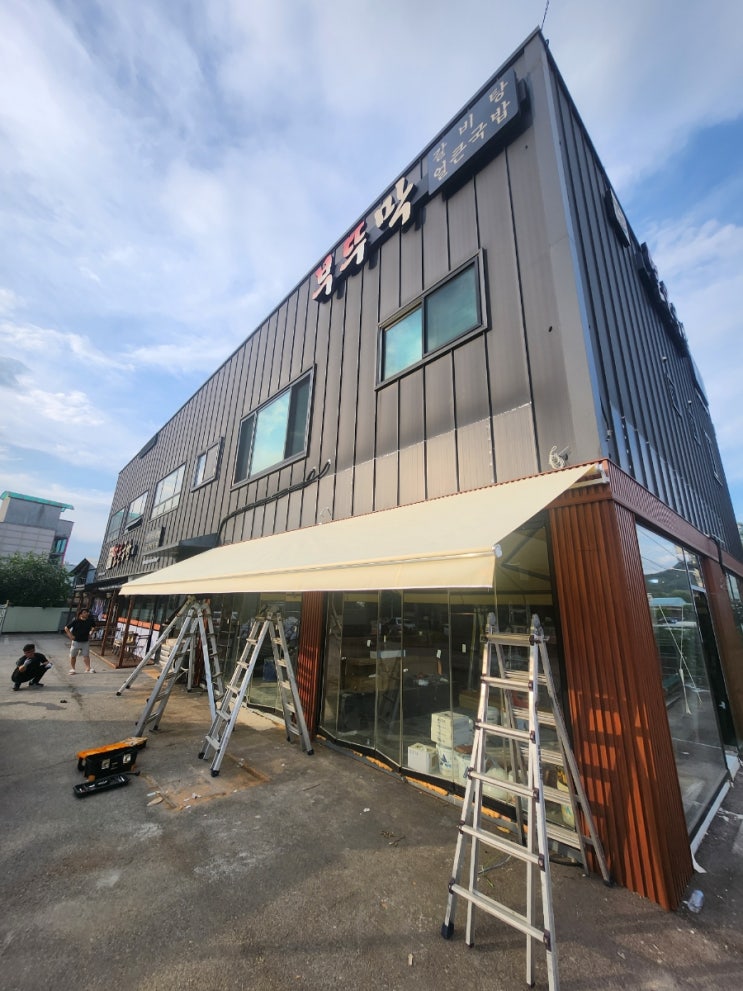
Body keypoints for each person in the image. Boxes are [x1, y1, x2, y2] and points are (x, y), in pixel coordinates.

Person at [64, 608, 98, 674]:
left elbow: (94, 627)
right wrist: (71, 636)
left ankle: (88, 668)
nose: (87, 613)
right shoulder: (76, 621)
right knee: (73, 655)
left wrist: (91, 634)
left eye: (87, 612)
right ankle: (73, 669)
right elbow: (66, 628)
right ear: (80, 614)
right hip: (76, 641)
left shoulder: (90, 621)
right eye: (84, 612)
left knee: (86, 655)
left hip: (85, 641)